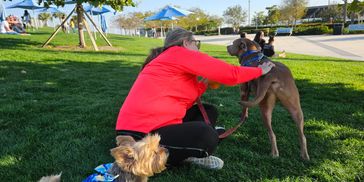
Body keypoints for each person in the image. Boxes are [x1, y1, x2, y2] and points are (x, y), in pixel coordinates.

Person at [115, 28, 274, 170]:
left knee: (209, 110)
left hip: (146, 124)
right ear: (185, 42)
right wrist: (258, 71)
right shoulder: (179, 53)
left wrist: (204, 83)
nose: (197, 48)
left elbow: (186, 96)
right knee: (207, 136)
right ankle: (159, 156)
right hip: (143, 131)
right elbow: (230, 74)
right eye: (196, 43)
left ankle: (183, 150)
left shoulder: (165, 57)